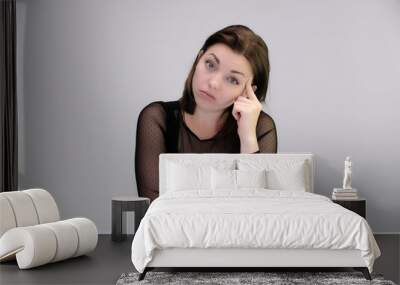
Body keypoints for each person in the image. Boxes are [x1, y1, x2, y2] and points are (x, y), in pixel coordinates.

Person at [135, 25, 277, 202]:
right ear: (198, 59)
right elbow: (154, 209)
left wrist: (247, 136)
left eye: (233, 79)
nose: (214, 83)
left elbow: (257, 209)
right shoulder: (157, 118)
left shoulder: (261, 127)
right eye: (210, 64)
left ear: (248, 92)